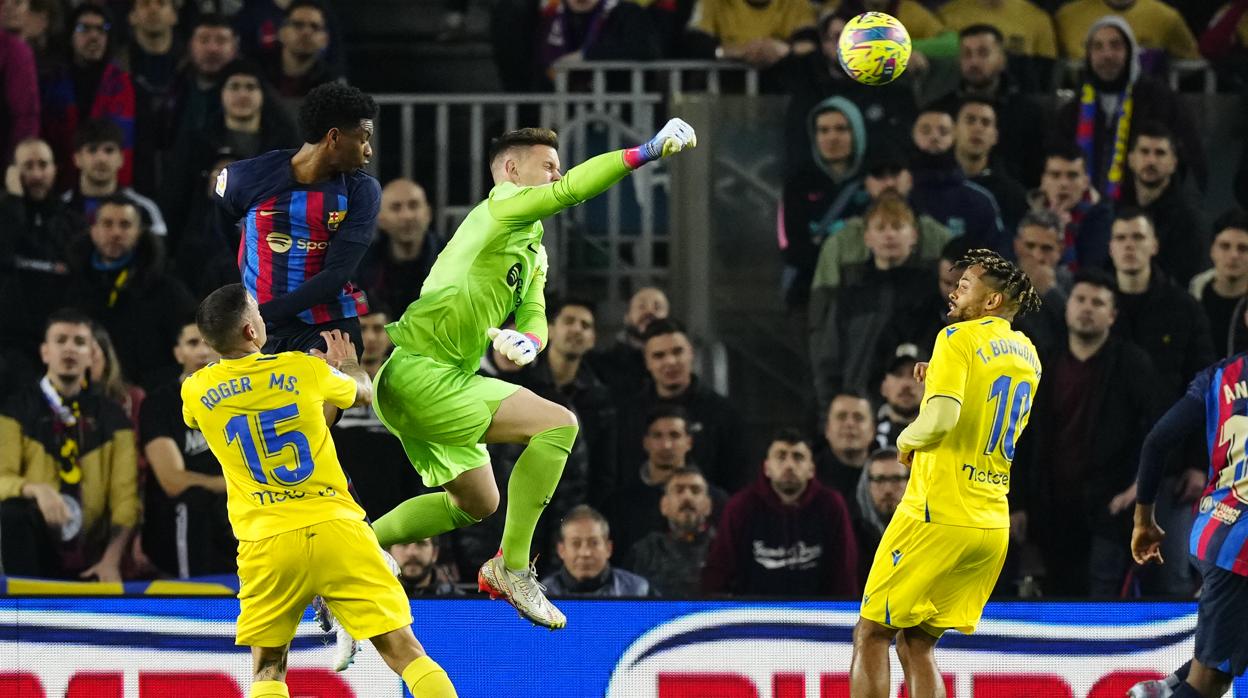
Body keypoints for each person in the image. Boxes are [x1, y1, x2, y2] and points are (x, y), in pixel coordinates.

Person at [368, 119, 697, 629]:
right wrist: (646, 151)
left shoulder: (531, 247)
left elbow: (535, 314)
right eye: (547, 166)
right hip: (420, 373)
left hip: (439, 379)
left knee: (476, 503)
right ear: (510, 169)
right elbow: (571, 192)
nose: (556, 173)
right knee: (559, 424)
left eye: (558, 166)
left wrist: (531, 342)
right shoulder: (500, 206)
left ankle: (360, 546)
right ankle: (512, 566)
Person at [180, 284, 458, 696]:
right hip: (335, 527)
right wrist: (347, 364)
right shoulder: (302, 370)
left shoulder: (196, 391)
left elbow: (197, 419)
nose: (263, 315)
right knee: (404, 651)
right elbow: (363, 395)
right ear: (251, 332)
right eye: (257, 311)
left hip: (265, 543)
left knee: (268, 668)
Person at [850, 249, 1042, 698]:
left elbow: (940, 421)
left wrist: (902, 440)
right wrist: (938, 379)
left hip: (938, 513)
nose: (955, 289)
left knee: (872, 633)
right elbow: (981, 404)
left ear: (991, 301)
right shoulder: (1029, 353)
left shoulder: (956, 337)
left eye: (967, 284)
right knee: (917, 643)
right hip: (990, 521)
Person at [1014, 270, 1163, 597]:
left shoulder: (1132, 364)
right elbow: (1022, 439)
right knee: (1057, 597)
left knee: (1102, 598)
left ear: (1112, 316)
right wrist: (1019, 502)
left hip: (1109, 507)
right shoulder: (1043, 365)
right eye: (1080, 299)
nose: (1086, 308)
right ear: (1067, 308)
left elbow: (1157, 429)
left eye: (1098, 303)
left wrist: (1138, 488)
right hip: (1052, 508)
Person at [213, 82, 378, 361]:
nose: (368, 150)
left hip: (326, 327)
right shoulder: (248, 178)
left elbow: (335, 275)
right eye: (363, 138)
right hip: (261, 330)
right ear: (334, 137)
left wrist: (260, 315)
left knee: (313, 402)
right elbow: (223, 224)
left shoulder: (361, 191)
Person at [1129, 351, 1248, 698]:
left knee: (1225, 652)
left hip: (1211, 528)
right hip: (1240, 550)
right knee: (1210, 683)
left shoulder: (1221, 375)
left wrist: (1144, 521)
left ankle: (1171, 686)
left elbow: (1157, 441)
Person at [0, 309, 138, 581]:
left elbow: (126, 498)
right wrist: (35, 490)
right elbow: (2, 478)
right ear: (44, 352)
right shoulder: (16, 408)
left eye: (79, 342)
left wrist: (111, 560)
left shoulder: (113, 416)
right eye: (60, 340)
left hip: (92, 552)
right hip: (33, 545)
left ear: (91, 354)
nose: (69, 349)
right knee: (13, 511)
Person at [1056, 15, 1206, 197]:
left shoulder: (1162, 102)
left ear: (1131, 52)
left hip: (1149, 215)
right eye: (1098, 47)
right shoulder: (1072, 112)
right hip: (1085, 216)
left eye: (1115, 45)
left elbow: (1191, 162)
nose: (1107, 55)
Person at [702, 428, 858, 596]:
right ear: (766, 468)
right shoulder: (741, 507)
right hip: (754, 613)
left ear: (811, 469)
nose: (789, 465)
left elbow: (844, 571)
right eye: (781, 457)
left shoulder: (831, 505)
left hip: (817, 614)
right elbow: (720, 569)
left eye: (798, 457)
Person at [64, 195, 195, 389]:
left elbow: (190, 347)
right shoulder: (70, 285)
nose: (116, 232)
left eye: (125, 225)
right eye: (107, 224)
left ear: (139, 232)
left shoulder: (167, 291)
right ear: (93, 230)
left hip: (148, 395)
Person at [140, 319, 235, 578]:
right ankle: (192, 590)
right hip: (184, 514)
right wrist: (234, 484)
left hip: (236, 505)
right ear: (177, 352)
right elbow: (173, 481)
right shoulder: (159, 403)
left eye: (209, 343)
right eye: (193, 343)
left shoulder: (242, 397)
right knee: (193, 502)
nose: (203, 352)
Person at [618, 318, 748, 491]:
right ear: (647, 363)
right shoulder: (629, 414)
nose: (670, 362)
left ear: (691, 353)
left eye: (677, 352)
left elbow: (738, 480)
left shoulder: (723, 413)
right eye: (659, 355)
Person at [0, 138, 83, 374]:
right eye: (28, 166)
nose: (37, 174)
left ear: (55, 169)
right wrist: (13, 202)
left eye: (43, 165)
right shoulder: (5, 217)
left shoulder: (72, 223)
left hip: (57, 342)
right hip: (8, 343)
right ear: (12, 173)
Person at [778, 97, 867, 309]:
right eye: (823, 130)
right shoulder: (798, 185)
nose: (832, 137)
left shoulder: (874, 181)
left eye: (841, 129)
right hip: (809, 295)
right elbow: (791, 248)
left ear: (856, 133)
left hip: (864, 296)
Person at [39, 4, 135, 193]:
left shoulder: (124, 85)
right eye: (85, 28)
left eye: (101, 29)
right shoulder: (51, 83)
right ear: (70, 35)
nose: (94, 36)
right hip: (59, 187)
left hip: (113, 191)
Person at [1120, 121, 1208, 286]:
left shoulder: (1188, 220)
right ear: (1131, 159)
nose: (1151, 160)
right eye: (1144, 152)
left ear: (1174, 163)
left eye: (1160, 153)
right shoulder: (1115, 209)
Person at [357, 178, 446, 316]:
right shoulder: (363, 266)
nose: (407, 216)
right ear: (380, 218)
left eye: (414, 205)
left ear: (428, 213)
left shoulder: (451, 257)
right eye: (396, 207)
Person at [63, 118, 167, 236]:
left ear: (121, 158)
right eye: (92, 150)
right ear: (77, 159)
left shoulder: (145, 210)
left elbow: (158, 252)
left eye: (109, 150)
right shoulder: (59, 208)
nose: (101, 159)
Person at [629, 466, 716, 597]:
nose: (687, 497)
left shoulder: (725, 549)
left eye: (695, 490)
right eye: (679, 490)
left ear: (708, 506)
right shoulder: (645, 550)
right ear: (664, 506)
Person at [1034, 141, 1114, 273]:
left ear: (1085, 182)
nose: (1064, 183)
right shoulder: (1026, 212)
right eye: (1055, 175)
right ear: (1043, 181)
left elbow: (1089, 273)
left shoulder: (1102, 220)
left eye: (1072, 176)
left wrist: (1064, 232)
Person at [953, 97, 1028, 235]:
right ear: (954, 130)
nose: (977, 128)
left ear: (995, 137)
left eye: (986, 123)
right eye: (970, 120)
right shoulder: (933, 185)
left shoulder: (1013, 196)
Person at [541, 504, 652, 596]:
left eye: (594, 543)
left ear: (608, 548)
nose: (585, 553)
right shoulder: (540, 596)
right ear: (561, 550)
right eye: (576, 543)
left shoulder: (637, 590)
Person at [1191, 211, 1248, 356]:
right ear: (1212, 251)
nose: (1233, 255)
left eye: (1243, 248)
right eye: (1225, 246)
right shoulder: (1190, 300)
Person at [851, 448, 909, 586]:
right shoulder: (850, 532)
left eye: (897, 479)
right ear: (867, 485)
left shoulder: (925, 530)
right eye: (879, 479)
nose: (888, 489)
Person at [817, 392, 881, 500]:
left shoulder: (892, 474)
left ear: (872, 430)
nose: (850, 423)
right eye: (841, 417)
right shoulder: (809, 478)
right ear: (827, 429)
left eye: (858, 417)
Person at [390, 537, 462, 597]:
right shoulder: (379, 599)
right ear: (388, 553)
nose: (412, 553)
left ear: (435, 553)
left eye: (421, 543)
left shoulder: (460, 603)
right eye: (403, 544)